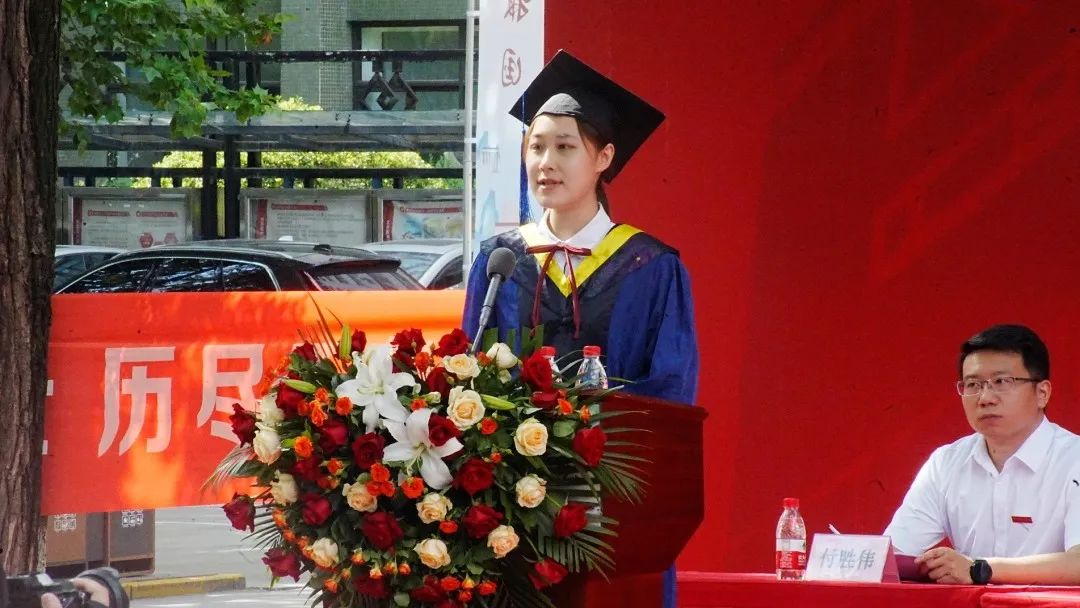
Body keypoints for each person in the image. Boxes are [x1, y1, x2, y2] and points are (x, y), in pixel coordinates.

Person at [462, 50, 699, 606]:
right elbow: (468, 374)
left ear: (604, 157)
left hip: (614, 520)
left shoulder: (650, 267)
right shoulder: (501, 261)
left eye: (565, 147)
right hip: (510, 514)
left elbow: (670, 396)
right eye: (536, 146)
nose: (546, 162)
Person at [884, 324, 1080, 585]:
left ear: (1042, 393)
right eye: (973, 384)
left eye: (1002, 382)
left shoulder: (1073, 460)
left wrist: (980, 570)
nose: (985, 398)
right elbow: (894, 554)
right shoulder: (946, 463)